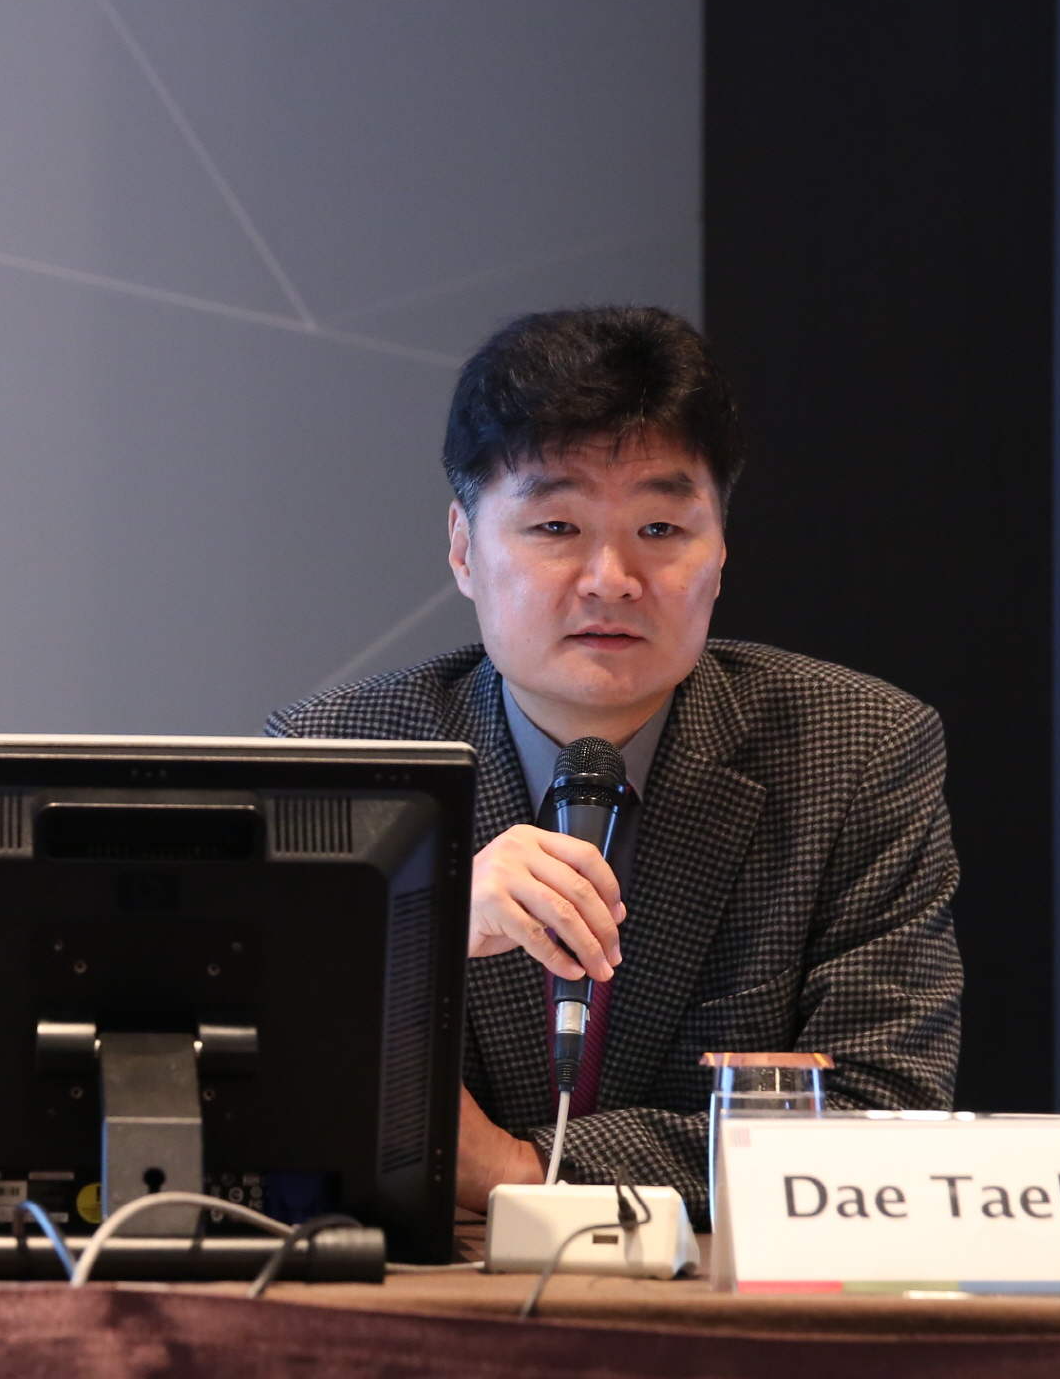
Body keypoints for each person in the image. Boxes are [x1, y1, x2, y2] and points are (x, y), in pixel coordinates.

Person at [268, 307, 959, 1216]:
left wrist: (524, 1171)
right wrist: (418, 931)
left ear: (720, 552)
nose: (610, 578)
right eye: (556, 526)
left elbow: (884, 1115)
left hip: (719, 1295)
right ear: (464, 549)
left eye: (661, 530)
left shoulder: (855, 750)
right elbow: (256, 1080)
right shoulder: (339, 757)